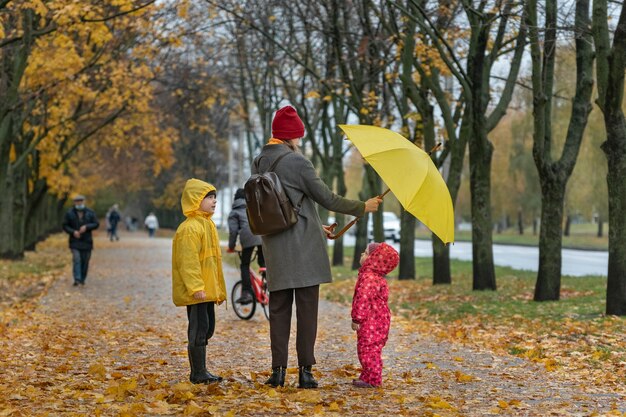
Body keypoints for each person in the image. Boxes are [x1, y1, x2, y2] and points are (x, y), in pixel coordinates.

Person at [254, 105, 382, 389]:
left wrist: (316, 224)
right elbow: (327, 198)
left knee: (279, 310)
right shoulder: (298, 162)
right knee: (307, 310)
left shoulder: (260, 160)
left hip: (274, 247)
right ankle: (305, 373)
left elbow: (279, 204)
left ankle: (277, 373)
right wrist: (363, 206)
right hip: (305, 250)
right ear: (292, 136)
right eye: (298, 136)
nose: (299, 140)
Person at [171, 178, 227, 384]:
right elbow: (188, 262)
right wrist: (196, 287)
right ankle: (198, 372)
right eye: (209, 197)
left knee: (208, 328)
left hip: (207, 291)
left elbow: (212, 263)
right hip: (198, 292)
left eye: (215, 197)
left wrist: (217, 290)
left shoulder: (207, 225)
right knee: (198, 330)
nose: (214, 201)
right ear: (196, 199)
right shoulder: (190, 228)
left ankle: (201, 369)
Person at [351, 242, 399, 388]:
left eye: (365, 253)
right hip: (378, 320)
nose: (361, 254)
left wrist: (356, 318)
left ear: (373, 259)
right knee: (370, 349)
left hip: (371, 321)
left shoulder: (369, 278)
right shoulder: (375, 277)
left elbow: (363, 299)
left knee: (368, 350)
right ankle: (367, 375)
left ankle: (373, 379)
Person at [227, 188, 265, 305]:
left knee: (244, 265)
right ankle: (268, 283)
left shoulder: (234, 213)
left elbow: (233, 232)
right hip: (263, 235)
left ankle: (247, 293)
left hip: (248, 238)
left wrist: (231, 247)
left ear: (235, 199)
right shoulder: (254, 207)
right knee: (263, 262)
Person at [62, 195, 100, 286]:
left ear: (84, 201)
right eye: (77, 201)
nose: (79, 203)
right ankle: (77, 279)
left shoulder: (90, 212)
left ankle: (82, 278)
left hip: (87, 241)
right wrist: (73, 232)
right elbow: (65, 226)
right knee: (77, 259)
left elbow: (96, 224)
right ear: (74, 202)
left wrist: (87, 227)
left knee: (85, 260)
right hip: (74, 241)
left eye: (81, 201)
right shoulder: (69, 213)